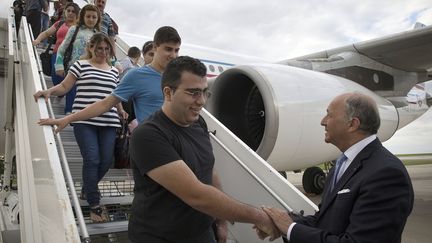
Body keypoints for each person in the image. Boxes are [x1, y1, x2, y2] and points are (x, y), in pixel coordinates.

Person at [127, 55, 279, 243]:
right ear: (168, 93)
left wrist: (221, 222)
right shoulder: (148, 135)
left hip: (201, 232)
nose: (201, 101)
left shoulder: (199, 123)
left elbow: (209, 170)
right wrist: (260, 217)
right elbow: (196, 195)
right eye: (193, 93)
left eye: (205, 92)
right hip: (159, 237)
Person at [261, 92, 414, 243]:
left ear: (352, 124)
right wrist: (285, 223)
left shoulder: (386, 174)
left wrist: (290, 228)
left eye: (329, 115)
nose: (323, 121)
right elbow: (324, 222)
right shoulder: (342, 165)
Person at [34, 33, 126, 223]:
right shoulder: (80, 65)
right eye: (99, 48)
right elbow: (64, 87)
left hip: (109, 121)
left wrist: (121, 109)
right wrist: (49, 91)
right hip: (84, 121)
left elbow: (114, 96)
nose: (103, 52)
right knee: (92, 159)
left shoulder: (114, 71)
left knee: (106, 161)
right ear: (91, 47)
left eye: (106, 48)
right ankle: (94, 204)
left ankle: (87, 187)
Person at [36, 26, 181, 133]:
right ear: (155, 47)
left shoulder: (179, 76)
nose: (173, 55)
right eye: (168, 49)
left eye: (176, 50)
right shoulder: (136, 76)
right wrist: (67, 119)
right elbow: (106, 103)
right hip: (156, 141)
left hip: (180, 138)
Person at [55, 4, 100, 114]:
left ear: (98, 19)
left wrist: (115, 62)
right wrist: (59, 64)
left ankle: (79, 114)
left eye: (94, 17)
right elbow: (62, 48)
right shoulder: (74, 29)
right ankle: (69, 112)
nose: (91, 19)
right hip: (73, 66)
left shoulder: (98, 34)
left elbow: (104, 52)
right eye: (88, 16)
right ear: (83, 17)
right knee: (71, 89)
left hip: (90, 69)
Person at [32, 2, 80, 87]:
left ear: (77, 13)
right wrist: (37, 40)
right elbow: (46, 33)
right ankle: (60, 92)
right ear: (65, 12)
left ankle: (63, 91)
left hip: (71, 57)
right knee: (55, 75)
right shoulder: (60, 23)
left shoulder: (79, 27)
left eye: (73, 11)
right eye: (68, 10)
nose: (70, 13)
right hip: (57, 54)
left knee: (68, 78)